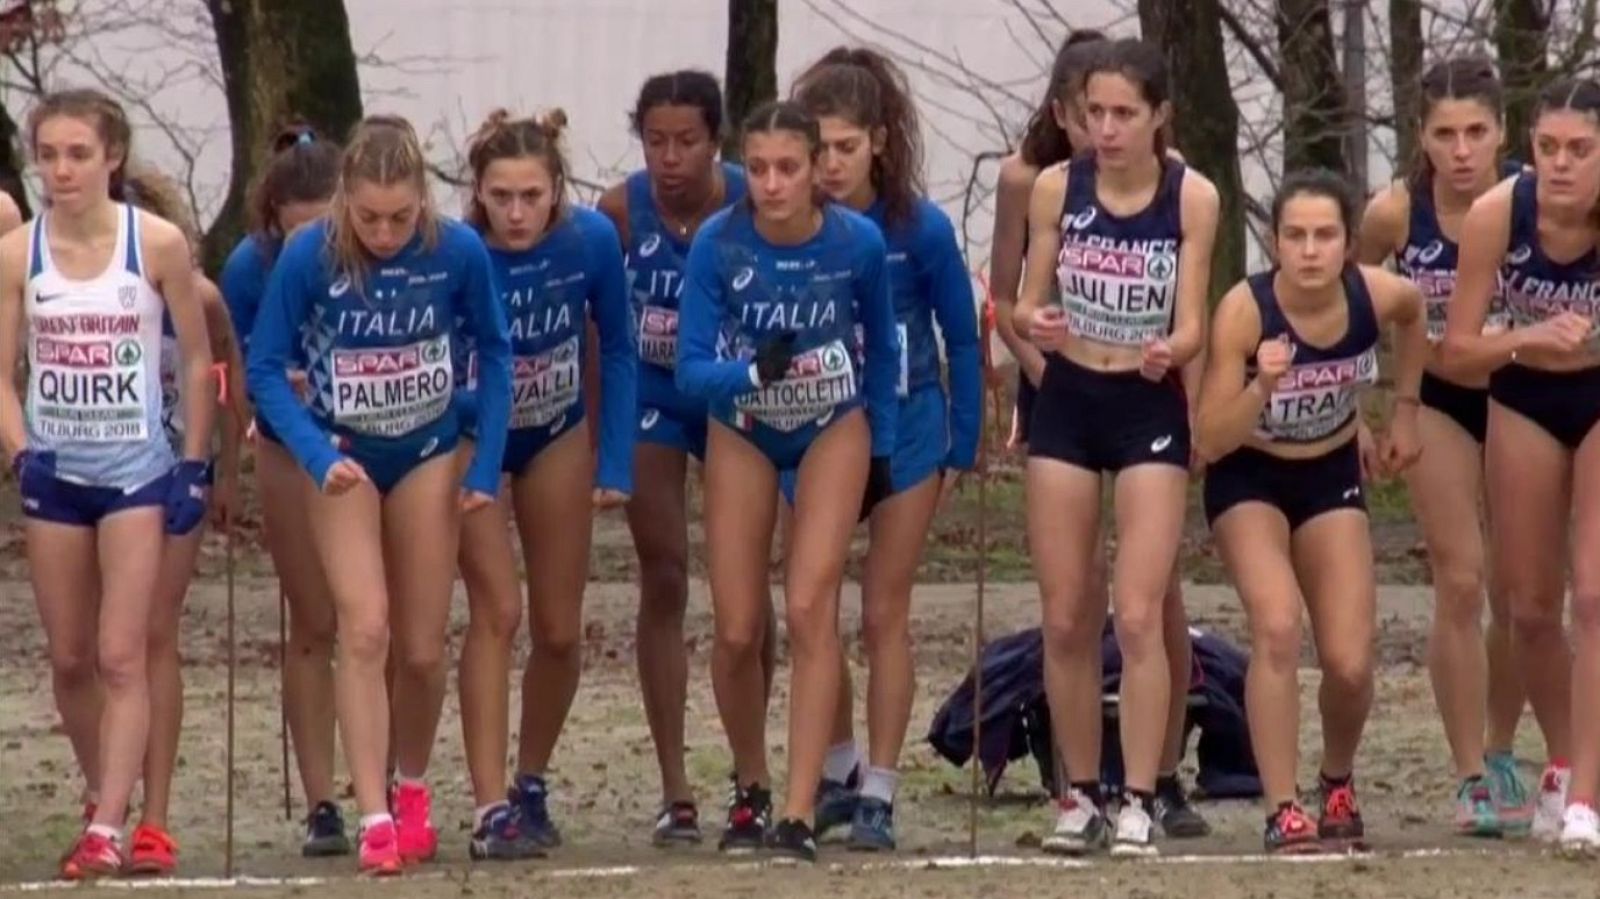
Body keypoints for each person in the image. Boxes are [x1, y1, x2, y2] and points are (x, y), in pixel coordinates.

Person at [247, 114, 512, 875]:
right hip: (343, 458)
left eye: (399, 217)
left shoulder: (456, 250)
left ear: (422, 199)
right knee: (364, 627)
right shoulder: (309, 253)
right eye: (369, 217)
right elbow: (264, 366)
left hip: (428, 450)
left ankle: (411, 785)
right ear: (345, 201)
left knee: (421, 649)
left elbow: (495, 352)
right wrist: (310, 451)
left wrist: (486, 467)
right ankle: (372, 816)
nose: (385, 233)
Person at [991, 29, 1211, 840]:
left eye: (1125, 113)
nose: (1108, 129)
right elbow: (1022, 301)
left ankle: (1142, 797)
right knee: (1066, 615)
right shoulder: (1056, 187)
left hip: (1147, 403)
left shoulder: (1192, 196)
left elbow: (1193, 321)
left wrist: (1172, 349)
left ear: (1158, 116)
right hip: (1071, 399)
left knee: (1140, 611)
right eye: (1097, 113)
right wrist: (1036, 321)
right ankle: (1079, 792)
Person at [0, 88, 215, 879]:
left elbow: (198, 356)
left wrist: (194, 462)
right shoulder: (17, 253)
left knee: (123, 652)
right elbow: (1, 374)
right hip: (56, 474)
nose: (61, 170)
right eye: (48, 155)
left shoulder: (155, 244)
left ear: (112, 157)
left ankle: (110, 825)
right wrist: (21, 451)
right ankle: (104, 792)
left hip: (136, 473)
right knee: (70, 657)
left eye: (78, 154)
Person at [676, 99, 897, 862]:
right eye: (760, 168)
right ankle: (752, 785)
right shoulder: (718, 242)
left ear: (816, 170)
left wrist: (883, 447)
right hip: (743, 424)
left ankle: (801, 809)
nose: (772, 184)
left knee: (809, 608)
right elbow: (690, 369)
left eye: (788, 168)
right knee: (739, 626)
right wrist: (749, 372)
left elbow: (883, 349)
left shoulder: (858, 242)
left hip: (831, 423)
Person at [1196, 169, 1426, 854]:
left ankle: (1337, 779)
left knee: (1350, 663)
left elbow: (1415, 310)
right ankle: (1282, 805)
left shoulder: (1373, 293)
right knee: (1276, 625)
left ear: (1349, 244)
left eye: (1325, 235)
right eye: (1294, 235)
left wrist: (1404, 410)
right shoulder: (1245, 310)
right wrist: (1263, 384)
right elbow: (1210, 438)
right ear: (1274, 242)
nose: (1309, 250)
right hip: (1250, 474)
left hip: (1329, 474)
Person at [788, 46, 981, 851]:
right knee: (813, 606)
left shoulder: (920, 228)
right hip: (817, 432)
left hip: (908, 430)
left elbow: (961, 338)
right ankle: (837, 767)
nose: (831, 164)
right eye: (819, 148)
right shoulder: (789, 226)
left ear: (879, 141)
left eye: (845, 147)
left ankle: (882, 788)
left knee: (882, 611)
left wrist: (963, 443)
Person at [595, 71, 777, 845]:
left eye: (687, 141)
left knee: (745, 582)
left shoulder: (751, 201)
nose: (670, 158)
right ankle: (675, 786)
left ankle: (750, 771)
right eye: (655, 141)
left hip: (733, 389)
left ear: (716, 140)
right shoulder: (618, 211)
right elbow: (600, 326)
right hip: (653, 392)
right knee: (665, 569)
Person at [1355, 56, 1531, 836]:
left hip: (1526, 397)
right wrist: (1362, 411)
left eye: (1476, 132)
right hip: (1433, 401)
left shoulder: (1536, 199)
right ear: (1421, 137)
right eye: (1444, 134)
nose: (1461, 151)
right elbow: (1338, 304)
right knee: (1461, 580)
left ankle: (1502, 746)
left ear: (1502, 132)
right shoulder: (1395, 213)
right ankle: (1469, 776)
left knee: (1521, 594)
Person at [454, 108, 635, 859]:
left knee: (559, 628)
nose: (517, 212)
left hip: (556, 427)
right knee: (497, 611)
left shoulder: (591, 240)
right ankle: (486, 799)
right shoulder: (455, 250)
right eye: (501, 196)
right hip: (469, 436)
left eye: (532, 195)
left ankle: (529, 779)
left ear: (557, 188)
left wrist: (615, 459)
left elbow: (618, 346)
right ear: (478, 193)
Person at [1439, 77, 1600, 852]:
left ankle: (1587, 799)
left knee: (1593, 592)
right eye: (1548, 147)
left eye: (1580, 149)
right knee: (1529, 608)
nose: (1560, 164)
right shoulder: (1499, 214)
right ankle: (1567, 760)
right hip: (1525, 391)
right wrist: (1528, 338)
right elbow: (1456, 350)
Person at [219, 124, 350, 856]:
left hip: (369, 440)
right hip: (285, 440)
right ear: (273, 221)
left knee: (377, 620)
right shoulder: (249, 267)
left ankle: (387, 782)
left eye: (324, 229)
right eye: (298, 231)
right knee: (313, 619)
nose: (312, 247)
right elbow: (247, 368)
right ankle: (322, 799)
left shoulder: (381, 248)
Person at [119, 165, 248, 876]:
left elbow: (226, 376)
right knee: (101, 646)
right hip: (96, 475)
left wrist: (225, 473)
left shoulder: (197, 295)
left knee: (153, 632)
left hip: (174, 470)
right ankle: (105, 793)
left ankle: (155, 815)